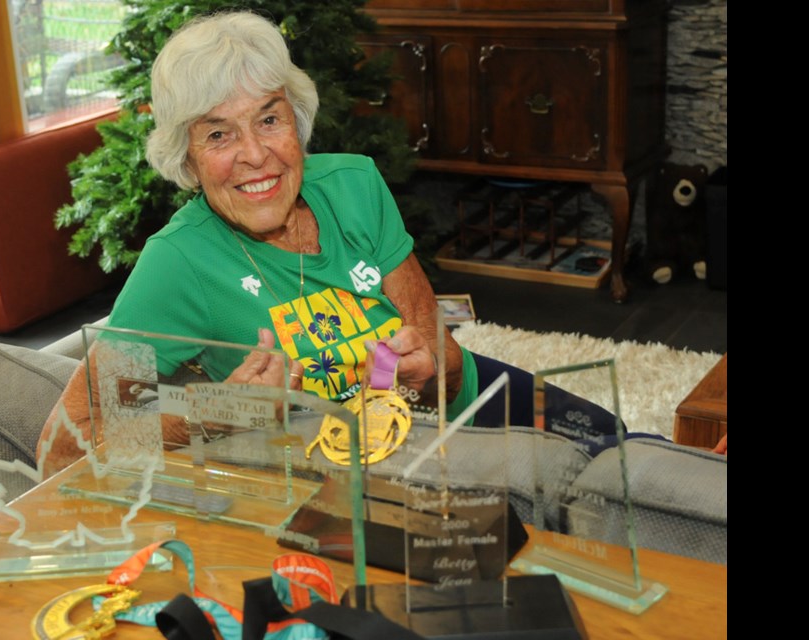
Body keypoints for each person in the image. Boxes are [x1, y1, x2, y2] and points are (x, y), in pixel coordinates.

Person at [37, 11, 618, 472]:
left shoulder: (355, 182)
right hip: (371, 463)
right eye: (219, 133)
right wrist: (219, 412)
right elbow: (64, 444)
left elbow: (435, 345)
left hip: (463, 395)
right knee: (588, 498)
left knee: (620, 447)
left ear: (297, 119)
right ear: (186, 158)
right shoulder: (179, 262)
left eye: (269, 119)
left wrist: (432, 365)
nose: (256, 155)